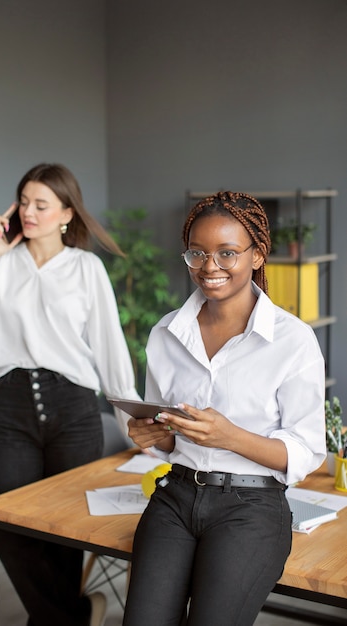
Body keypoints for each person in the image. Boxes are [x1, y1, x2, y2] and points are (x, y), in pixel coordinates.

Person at [0, 162, 140, 626]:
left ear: (67, 213)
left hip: (72, 406)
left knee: (64, 530)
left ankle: (57, 619)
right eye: (24, 202)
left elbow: (109, 346)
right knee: (6, 522)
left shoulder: (85, 268)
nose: (29, 212)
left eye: (42, 204)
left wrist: (132, 419)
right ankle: (72, 615)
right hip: (11, 405)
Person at [122, 191, 326, 626]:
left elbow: (306, 452)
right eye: (198, 253)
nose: (209, 267)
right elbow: (169, 432)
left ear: (257, 256)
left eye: (227, 253)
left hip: (251, 508)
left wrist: (229, 436)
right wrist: (155, 435)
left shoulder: (293, 340)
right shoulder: (165, 334)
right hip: (175, 498)